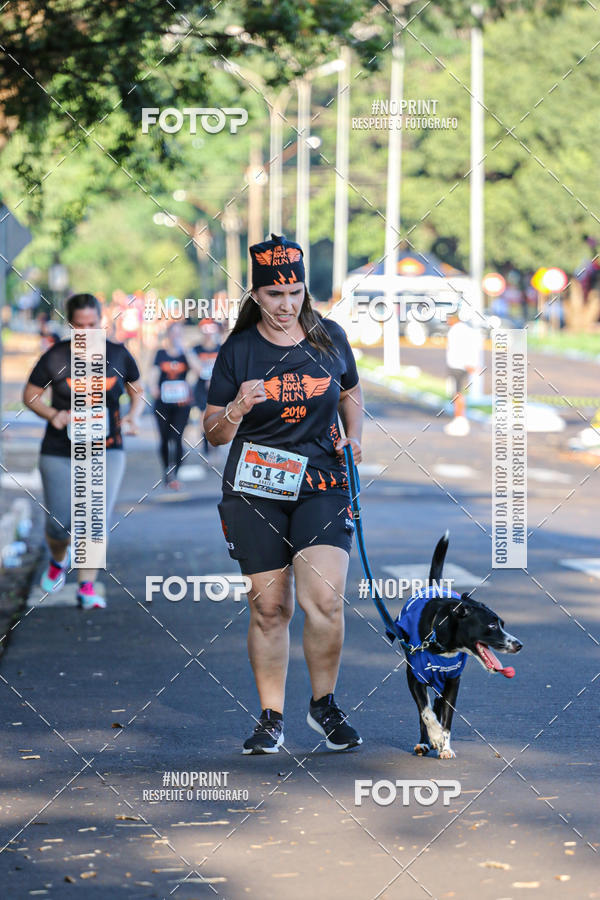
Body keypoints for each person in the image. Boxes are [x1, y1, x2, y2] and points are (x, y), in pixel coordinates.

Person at [204, 233, 364, 755]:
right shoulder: (240, 349)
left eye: (295, 291)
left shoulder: (329, 337)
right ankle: (271, 717)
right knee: (270, 608)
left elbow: (350, 390)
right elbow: (212, 432)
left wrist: (354, 433)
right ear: (256, 296)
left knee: (325, 601)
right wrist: (237, 410)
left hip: (321, 482)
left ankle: (324, 705)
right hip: (257, 488)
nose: (286, 304)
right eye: (275, 294)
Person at [23, 293, 144, 609]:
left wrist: (133, 416)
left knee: (95, 518)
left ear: (101, 321)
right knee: (60, 522)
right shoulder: (55, 356)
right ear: (70, 324)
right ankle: (57, 559)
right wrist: (52, 414)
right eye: (80, 326)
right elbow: (31, 395)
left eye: (93, 325)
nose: (87, 332)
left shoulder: (117, 354)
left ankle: (87, 585)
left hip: (107, 448)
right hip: (60, 449)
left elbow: (137, 389)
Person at [149, 320, 203, 490]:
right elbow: (153, 373)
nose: (176, 337)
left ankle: (176, 473)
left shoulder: (186, 353)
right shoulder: (160, 353)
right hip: (163, 403)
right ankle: (167, 470)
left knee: (177, 437)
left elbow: (199, 371)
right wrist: (153, 387)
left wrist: (186, 351)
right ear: (168, 335)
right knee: (164, 439)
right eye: (173, 333)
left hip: (181, 403)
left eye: (179, 334)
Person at [443, 310, 480, 437]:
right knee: (459, 393)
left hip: (456, 366)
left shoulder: (455, 331)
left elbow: (460, 348)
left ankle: (459, 419)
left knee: (457, 393)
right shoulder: (467, 330)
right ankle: (459, 418)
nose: (447, 321)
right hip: (463, 365)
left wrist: (468, 363)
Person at [192, 321, 221, 456]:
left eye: (212, 328)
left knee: (218, 419)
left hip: (218, 390)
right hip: (201, 390)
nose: (209, 333)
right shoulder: (196, 349)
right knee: (204, 420)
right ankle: (206, 449)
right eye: (206, 329)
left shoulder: (221, 348)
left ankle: (215, 446)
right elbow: (195, 367)